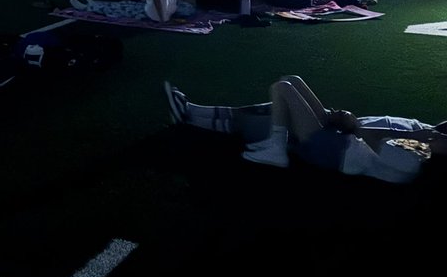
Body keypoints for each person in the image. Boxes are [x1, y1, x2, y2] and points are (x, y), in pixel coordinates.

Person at [164, 76, 445, 183]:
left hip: (336, 151)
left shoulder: (414, 161)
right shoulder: (425, 130)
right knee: (289, 86)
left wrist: (350, 123)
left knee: (282, 92)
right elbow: (367, 127)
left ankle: (274, 148)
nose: (442, 136)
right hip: (340, 134)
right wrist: (344, 118)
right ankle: (192, 111)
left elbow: (367, 138)